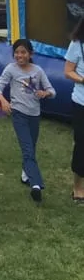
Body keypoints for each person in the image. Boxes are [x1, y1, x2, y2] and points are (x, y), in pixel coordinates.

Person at [0, 37, 54, 203]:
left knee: (31, 148)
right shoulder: (11, 69)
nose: (19, 55)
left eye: (23, 52)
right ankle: (36, 185)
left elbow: (52, 90)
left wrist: (45, 93)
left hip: (34, 114)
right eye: (16, 52)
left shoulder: (38, 70)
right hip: (18, 113)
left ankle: (25, 175)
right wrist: (4, 101)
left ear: (30, 53)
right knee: (27, 149)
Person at [63, 16, 84, 203]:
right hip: (81, 103)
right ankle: (78, 188)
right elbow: (68, 71)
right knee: (82, 145)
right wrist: (83, 79)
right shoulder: (78, 44)